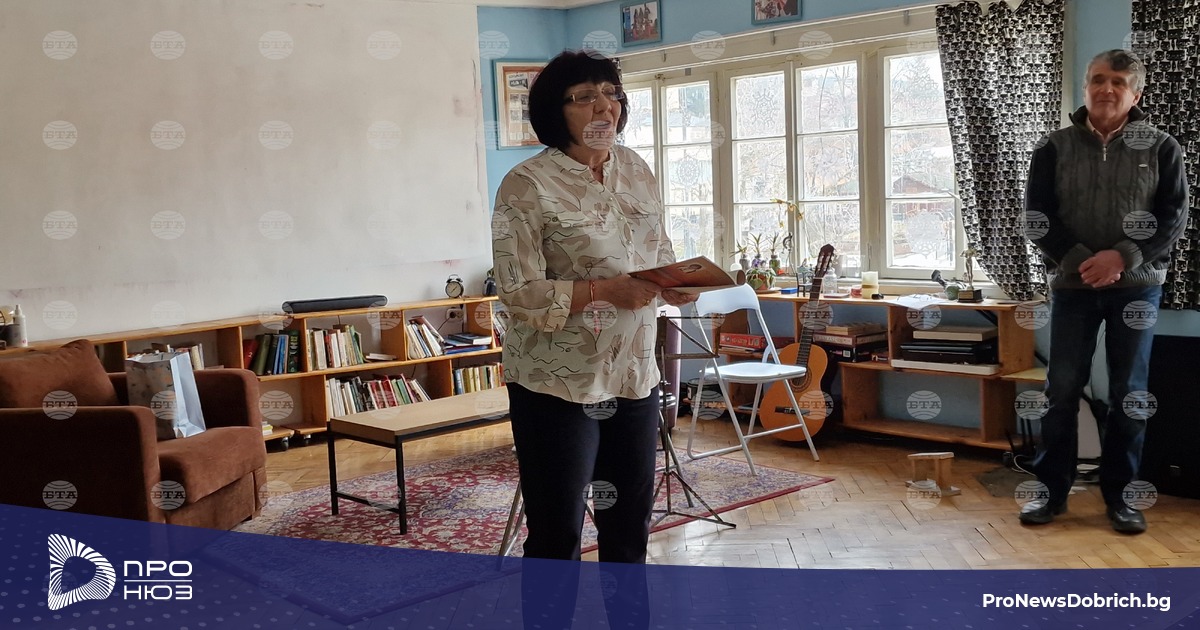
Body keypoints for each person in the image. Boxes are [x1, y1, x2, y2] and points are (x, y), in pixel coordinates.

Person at [491, 50, 696, 625]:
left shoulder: (636, 169)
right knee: (557, 532)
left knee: (628, 527)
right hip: (557, 383)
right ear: (555, 111)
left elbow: (656, 253)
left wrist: (676, 283)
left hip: (633, 374)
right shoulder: (526, 184)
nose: (604, 105)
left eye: (611, 93)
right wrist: (606, 291)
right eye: (585, 96)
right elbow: (518, 292)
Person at [1022, 49, 1188, 534]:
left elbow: (1173, 217)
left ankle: (1122, 499)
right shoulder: (1053, 147)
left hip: (1136, 290)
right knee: (1061, 391)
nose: (1106, 89)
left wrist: (1122, 258)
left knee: (1128, 393)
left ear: (1135, 93)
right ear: (1085, 86)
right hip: (1073, 288)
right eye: (1097, 79)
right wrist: (1082, 262)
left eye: (1118, 81)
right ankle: (1050, 494)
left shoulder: (1162, 147)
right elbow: (1037, 216)